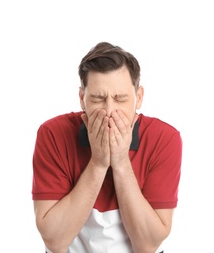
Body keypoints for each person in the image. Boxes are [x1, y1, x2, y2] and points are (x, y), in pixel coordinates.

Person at [32, 41, 182, 253]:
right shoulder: (52, 134)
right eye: (97, 98)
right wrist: (99, 163)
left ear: (138, 98)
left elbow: (147, 245)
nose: (109, 110)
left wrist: (120, 162)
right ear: (82, 99)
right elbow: (54, 241)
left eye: (120, 99)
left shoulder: (164, 139)